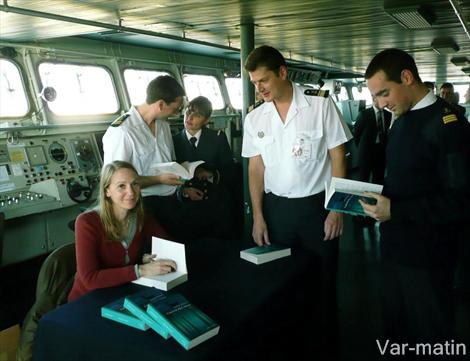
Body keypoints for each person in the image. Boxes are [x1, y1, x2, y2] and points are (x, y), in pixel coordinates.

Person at [241, 45, 352, 352]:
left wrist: (337, 208)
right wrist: (258, 216)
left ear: (282, 72)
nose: (259, 88)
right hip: (276, 210)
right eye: (253, 83)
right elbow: (255, 168)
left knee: (322, 282)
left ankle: (325, 347)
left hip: (318, 207)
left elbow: (338, 156)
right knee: (281, 282)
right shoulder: (256, 118)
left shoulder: (320, 105)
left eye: (263, 80)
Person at [361, 48, 470, 346]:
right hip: (396, 249)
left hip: (429, 258)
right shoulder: (402, 118)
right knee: (397, 333)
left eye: (384, 93)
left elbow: (461, 202)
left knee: (431, 338)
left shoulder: (449, 126)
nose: (381, 104)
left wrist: (396, 210)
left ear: (407, 77)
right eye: (376, 97)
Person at [68, 161, 176, 302]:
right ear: (107, 191)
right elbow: (90, 279)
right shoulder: (87, 222)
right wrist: (141, 269)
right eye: (121, 186)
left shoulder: (142, 215)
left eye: (135, 184)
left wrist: (147, 257)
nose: (130, 192)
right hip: (88, 299)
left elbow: (168, 244)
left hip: (121, 292)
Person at [102, 75, 186, 237]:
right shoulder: (122, 131)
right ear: (161, 104)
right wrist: (159, 179)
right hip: (141, 205)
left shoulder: (163, 126)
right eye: (176, 109)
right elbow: (114, 182)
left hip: (172, 199)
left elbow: (170, 161)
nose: (177, 114)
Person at [172, 96, 237, 239]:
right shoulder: (173, 141)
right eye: (188, 111)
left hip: (214, 203)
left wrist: (212, 175)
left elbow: (230, 170)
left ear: (206, 120)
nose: (190, 117)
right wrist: (183, 190)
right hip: (186, 205)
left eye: (198, 115)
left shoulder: (217, 138)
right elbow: (169, 174)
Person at [353, 95, 391, 184]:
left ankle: (376, 197)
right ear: (374, 99)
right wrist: (361, 147)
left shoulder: (388, 115)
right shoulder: (364, 114)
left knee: (379, 177)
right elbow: (356, 134)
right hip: (366, 152)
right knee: (363, 178)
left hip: (381, 151)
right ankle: (363, 197)